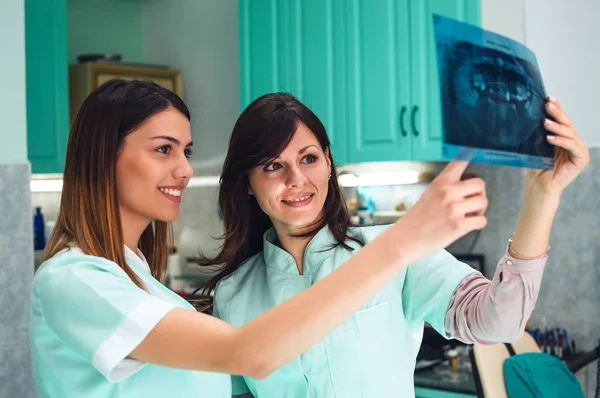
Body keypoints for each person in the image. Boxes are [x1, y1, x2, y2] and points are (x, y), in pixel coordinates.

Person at [30, 80, 489, 398]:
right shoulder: (74, 279)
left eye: (186, 151)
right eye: (163, 149)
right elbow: (247, 353)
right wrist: (400, 243)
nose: (186, 169)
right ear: (101, 157)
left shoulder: (142, 285)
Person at [205, 93, 589, 397]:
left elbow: (500, 322)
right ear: (248, 184)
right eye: (273, 165)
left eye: (308, 158)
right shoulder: (232, 295)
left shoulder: (396, 249)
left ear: (328, 163)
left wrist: (543, 196)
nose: (296, 178)